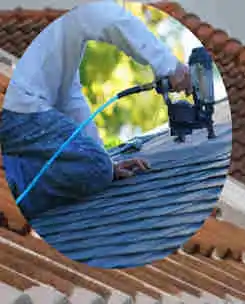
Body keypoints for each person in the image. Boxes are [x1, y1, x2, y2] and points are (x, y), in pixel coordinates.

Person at [0, 0, 190, 219]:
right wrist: (170, 66)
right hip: (20, 109)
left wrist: (105, 163)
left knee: (98, 166)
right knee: (96, 167)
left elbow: (69, 97)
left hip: (21, 110)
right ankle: (10, 183)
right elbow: (105, 15)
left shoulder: (62, 37)